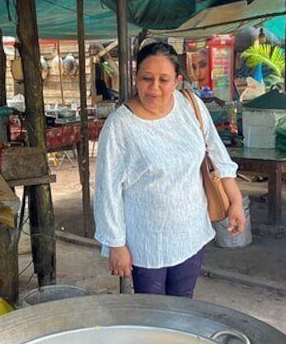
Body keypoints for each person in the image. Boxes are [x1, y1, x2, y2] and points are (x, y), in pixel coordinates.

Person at [94, 42, 245, 297]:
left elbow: (217, 155)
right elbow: (107, 190)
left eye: (163, 80)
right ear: (136, 77)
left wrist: (236, 202)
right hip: (147, 242)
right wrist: (115, 244)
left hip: (191, 233)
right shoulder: (120, 125)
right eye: (146, 78)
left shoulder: (190, 106)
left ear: (177, 80)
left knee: (184, 308)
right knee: (154, 319)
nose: (154, 88)